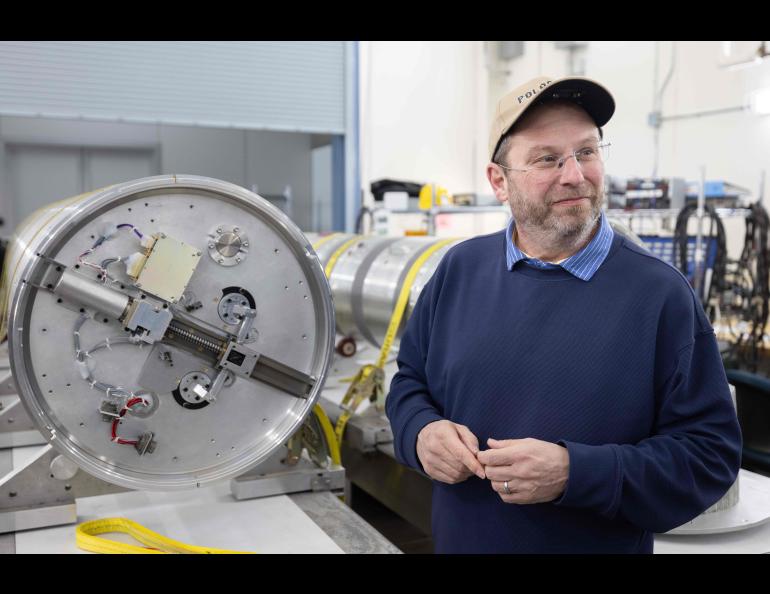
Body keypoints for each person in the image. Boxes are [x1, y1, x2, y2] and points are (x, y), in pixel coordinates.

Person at [385, 75, 742, 554]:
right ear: (499, 181)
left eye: (587, 152)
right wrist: (420, 433)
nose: (574, 174)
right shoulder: (459, 270)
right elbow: (409, 383)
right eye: (547, 159)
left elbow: (708, 458)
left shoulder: (659, 294)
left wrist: (576, 473)